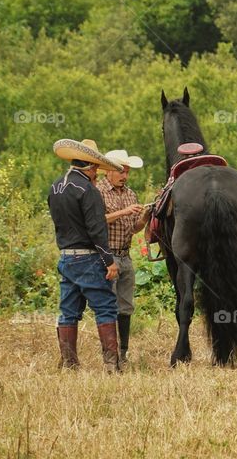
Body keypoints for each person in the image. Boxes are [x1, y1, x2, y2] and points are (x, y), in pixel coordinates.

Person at [49, 138, 123, 371]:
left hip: (66, 257)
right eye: (96, 170)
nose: (97, 175)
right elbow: (97, 229)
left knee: (68, 311)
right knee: (105, 307)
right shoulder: (88, 190)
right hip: (88, 257)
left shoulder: (55, 187)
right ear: (90, 167)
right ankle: (112, 365)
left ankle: (70, 364)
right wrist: (109, 261)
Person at [97, 149, 150, 365]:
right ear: (109, 171)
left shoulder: (130, 193)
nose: (125, 176)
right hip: (106, 256)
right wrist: (124, 212)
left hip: (125, 256)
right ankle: (110, 354)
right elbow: (97, 221)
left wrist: (144, 217)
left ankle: (124, 352)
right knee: (108, 305)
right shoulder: (98, 191)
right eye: (121, 171)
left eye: (127, 172)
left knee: (125, 306)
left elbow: (134, 229)